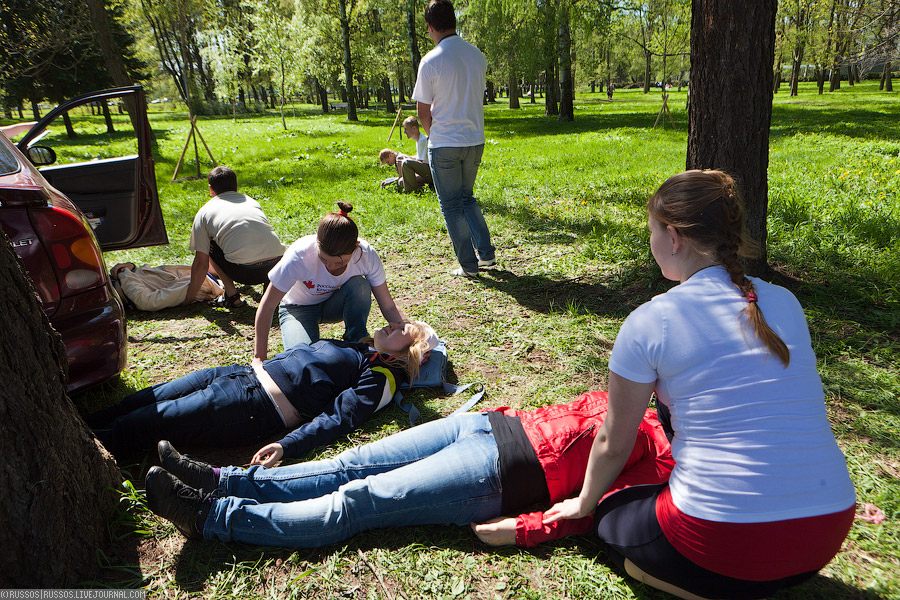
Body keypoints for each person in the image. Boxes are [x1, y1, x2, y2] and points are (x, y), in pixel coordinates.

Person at [543, 170, 857, 600]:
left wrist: (583, 502)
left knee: (612, 514)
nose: (651, 243)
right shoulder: (785, 301)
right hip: (827, 530)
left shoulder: (652, 320)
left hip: (717, 535)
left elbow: (613, 444)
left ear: (674, 237)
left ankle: (708, 587)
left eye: (651, 231)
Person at [144, 391, 674, 548]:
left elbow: (600, 510)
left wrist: (530, 529)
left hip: (501, 473)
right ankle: (224, 480)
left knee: (359, 501)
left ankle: (215, 517)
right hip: (483, 426)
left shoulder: (668, 461)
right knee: (347, 464)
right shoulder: (646, 397)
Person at [88, 321, 438, 462]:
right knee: (142, 399)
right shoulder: (360, 349)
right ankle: (84, 421)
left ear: (412, 350)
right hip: (237, 374)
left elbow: (341, 418)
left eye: (404, 328)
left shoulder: (380, 376)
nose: (393, 322)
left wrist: (288, 445)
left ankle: (89, 448)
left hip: (252, 404)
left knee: (149, 420)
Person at [254, 202, 405, 357]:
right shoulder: (299, 256)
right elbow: (267, 306)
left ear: (355, 247)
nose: (331, 267)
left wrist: (408, 330)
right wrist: (259, 358)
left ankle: (357, 339)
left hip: (334, 303)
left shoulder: (365, 255)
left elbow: (388, 305)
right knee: (304, 359)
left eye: (340, 262)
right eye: (324, 259)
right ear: (317, 244)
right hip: (298, 308)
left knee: (360, 285)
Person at [412, 0, 495, 277]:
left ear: (430, 27)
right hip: (475, 139)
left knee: (451, 206)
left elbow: (423, 111)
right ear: (454, 21)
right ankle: (486, 255)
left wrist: (433, 135)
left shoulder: (431, 60)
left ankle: (469, 266)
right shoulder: (477, 55)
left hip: (446, 141)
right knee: (467, 198)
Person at [183, 166, 284, 308]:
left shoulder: (204, 212)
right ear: (236, 186)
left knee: (208, 244)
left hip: (243, 273)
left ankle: (232, 295)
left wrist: (187, 300)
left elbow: (201, 264)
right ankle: (270, 292)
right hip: (276, 266)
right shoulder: (251, 202)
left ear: (211, 189)